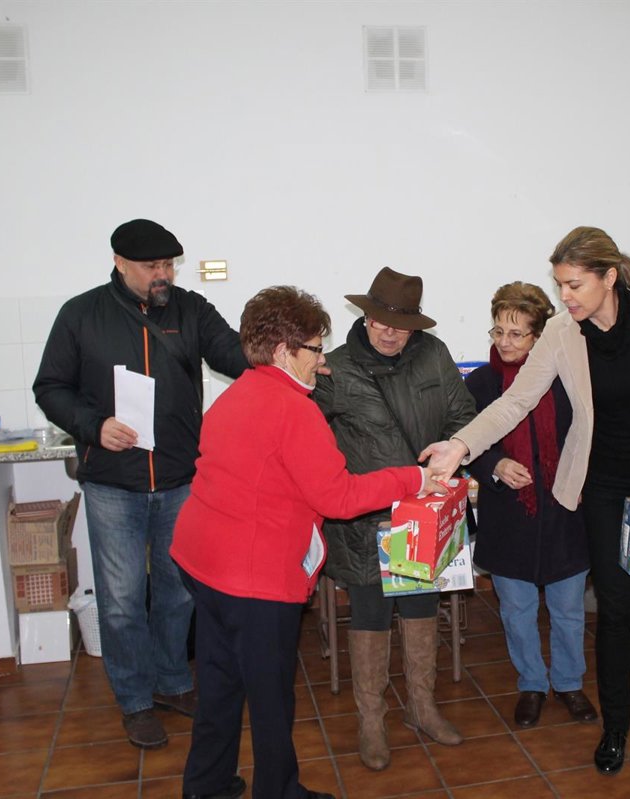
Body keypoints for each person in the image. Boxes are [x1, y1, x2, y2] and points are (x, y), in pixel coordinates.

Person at [421, 226, 630, 776]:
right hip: (601, 486)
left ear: (609, 277)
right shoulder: (561, 331)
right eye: (560, 285)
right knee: (614, 609)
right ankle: (616, 725)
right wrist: (461, 446)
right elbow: (515, 402)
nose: (565, 296)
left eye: (574, 285)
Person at [170, 286, 443, 799]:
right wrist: (412, 478)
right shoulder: (294, 410)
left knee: (220, 685)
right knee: (270, 699)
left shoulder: (238, 393)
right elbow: (338, 497)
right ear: (282, 351)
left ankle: (207, 786)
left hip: (202, 561)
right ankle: (279, 791)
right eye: (315, 350)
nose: (323, 361)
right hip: (253, 578)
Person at [34, 219, 248, 749]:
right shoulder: (81, 315)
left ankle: (172, 682)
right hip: (113, 484)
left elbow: (235, 357)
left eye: (169, 264)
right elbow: (50, 387)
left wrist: (286, 355)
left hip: (180, 479)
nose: (163, 275)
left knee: (178, 593)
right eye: (152, 266)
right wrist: (94, 426)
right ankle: (134, 701)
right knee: (123, 600)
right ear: (119, 262)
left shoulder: (191, 310)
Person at [313, 267, 476, 770]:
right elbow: (311, 438)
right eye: (380, 322)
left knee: (422, 604)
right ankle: (371, 719)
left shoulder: (434, 354)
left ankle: (421, 707)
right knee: (370, 611)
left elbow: (463, 416)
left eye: (401, 326)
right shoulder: (336, 368)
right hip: (365, 516)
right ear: (364, 317)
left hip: (424, 511)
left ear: (415, 326)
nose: (389, 333)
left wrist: (451, 454)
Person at [464, 281, 596, 729]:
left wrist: (582, 476)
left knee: (568, 609)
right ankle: (532, 685)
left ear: (540, 337)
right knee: (516, 610)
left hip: (564, 512)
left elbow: (589, 434)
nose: (505, 342)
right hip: (509, 515)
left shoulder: (566, 378)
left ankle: (569, 683)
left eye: (517, 334)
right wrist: (496, 465)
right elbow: (468, 439)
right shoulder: (481, 383)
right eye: (498, 331)